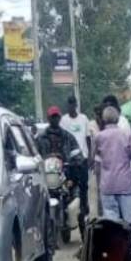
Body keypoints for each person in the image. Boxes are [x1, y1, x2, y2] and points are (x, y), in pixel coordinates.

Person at [93, 106, 131, 259]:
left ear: (103, 119)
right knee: (129, 219)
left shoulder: (99, 137)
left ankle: (113, 251)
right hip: (124, 184)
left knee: (111, 220)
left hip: (107, 184)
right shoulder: (125, 135)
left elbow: (92, 158)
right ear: (117, 118)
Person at [60, 96, 92, 225]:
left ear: (76, 105)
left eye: (73, 104)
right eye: (69, 104)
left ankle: (84, 209)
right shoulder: (63, 120)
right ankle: (69, 213)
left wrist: (89, 156)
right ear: (67, 105)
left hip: (82, 159)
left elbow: (88, 138)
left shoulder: (84, 119)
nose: (72, 106)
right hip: (69, 161)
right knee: (68, 185)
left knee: (84, 185)